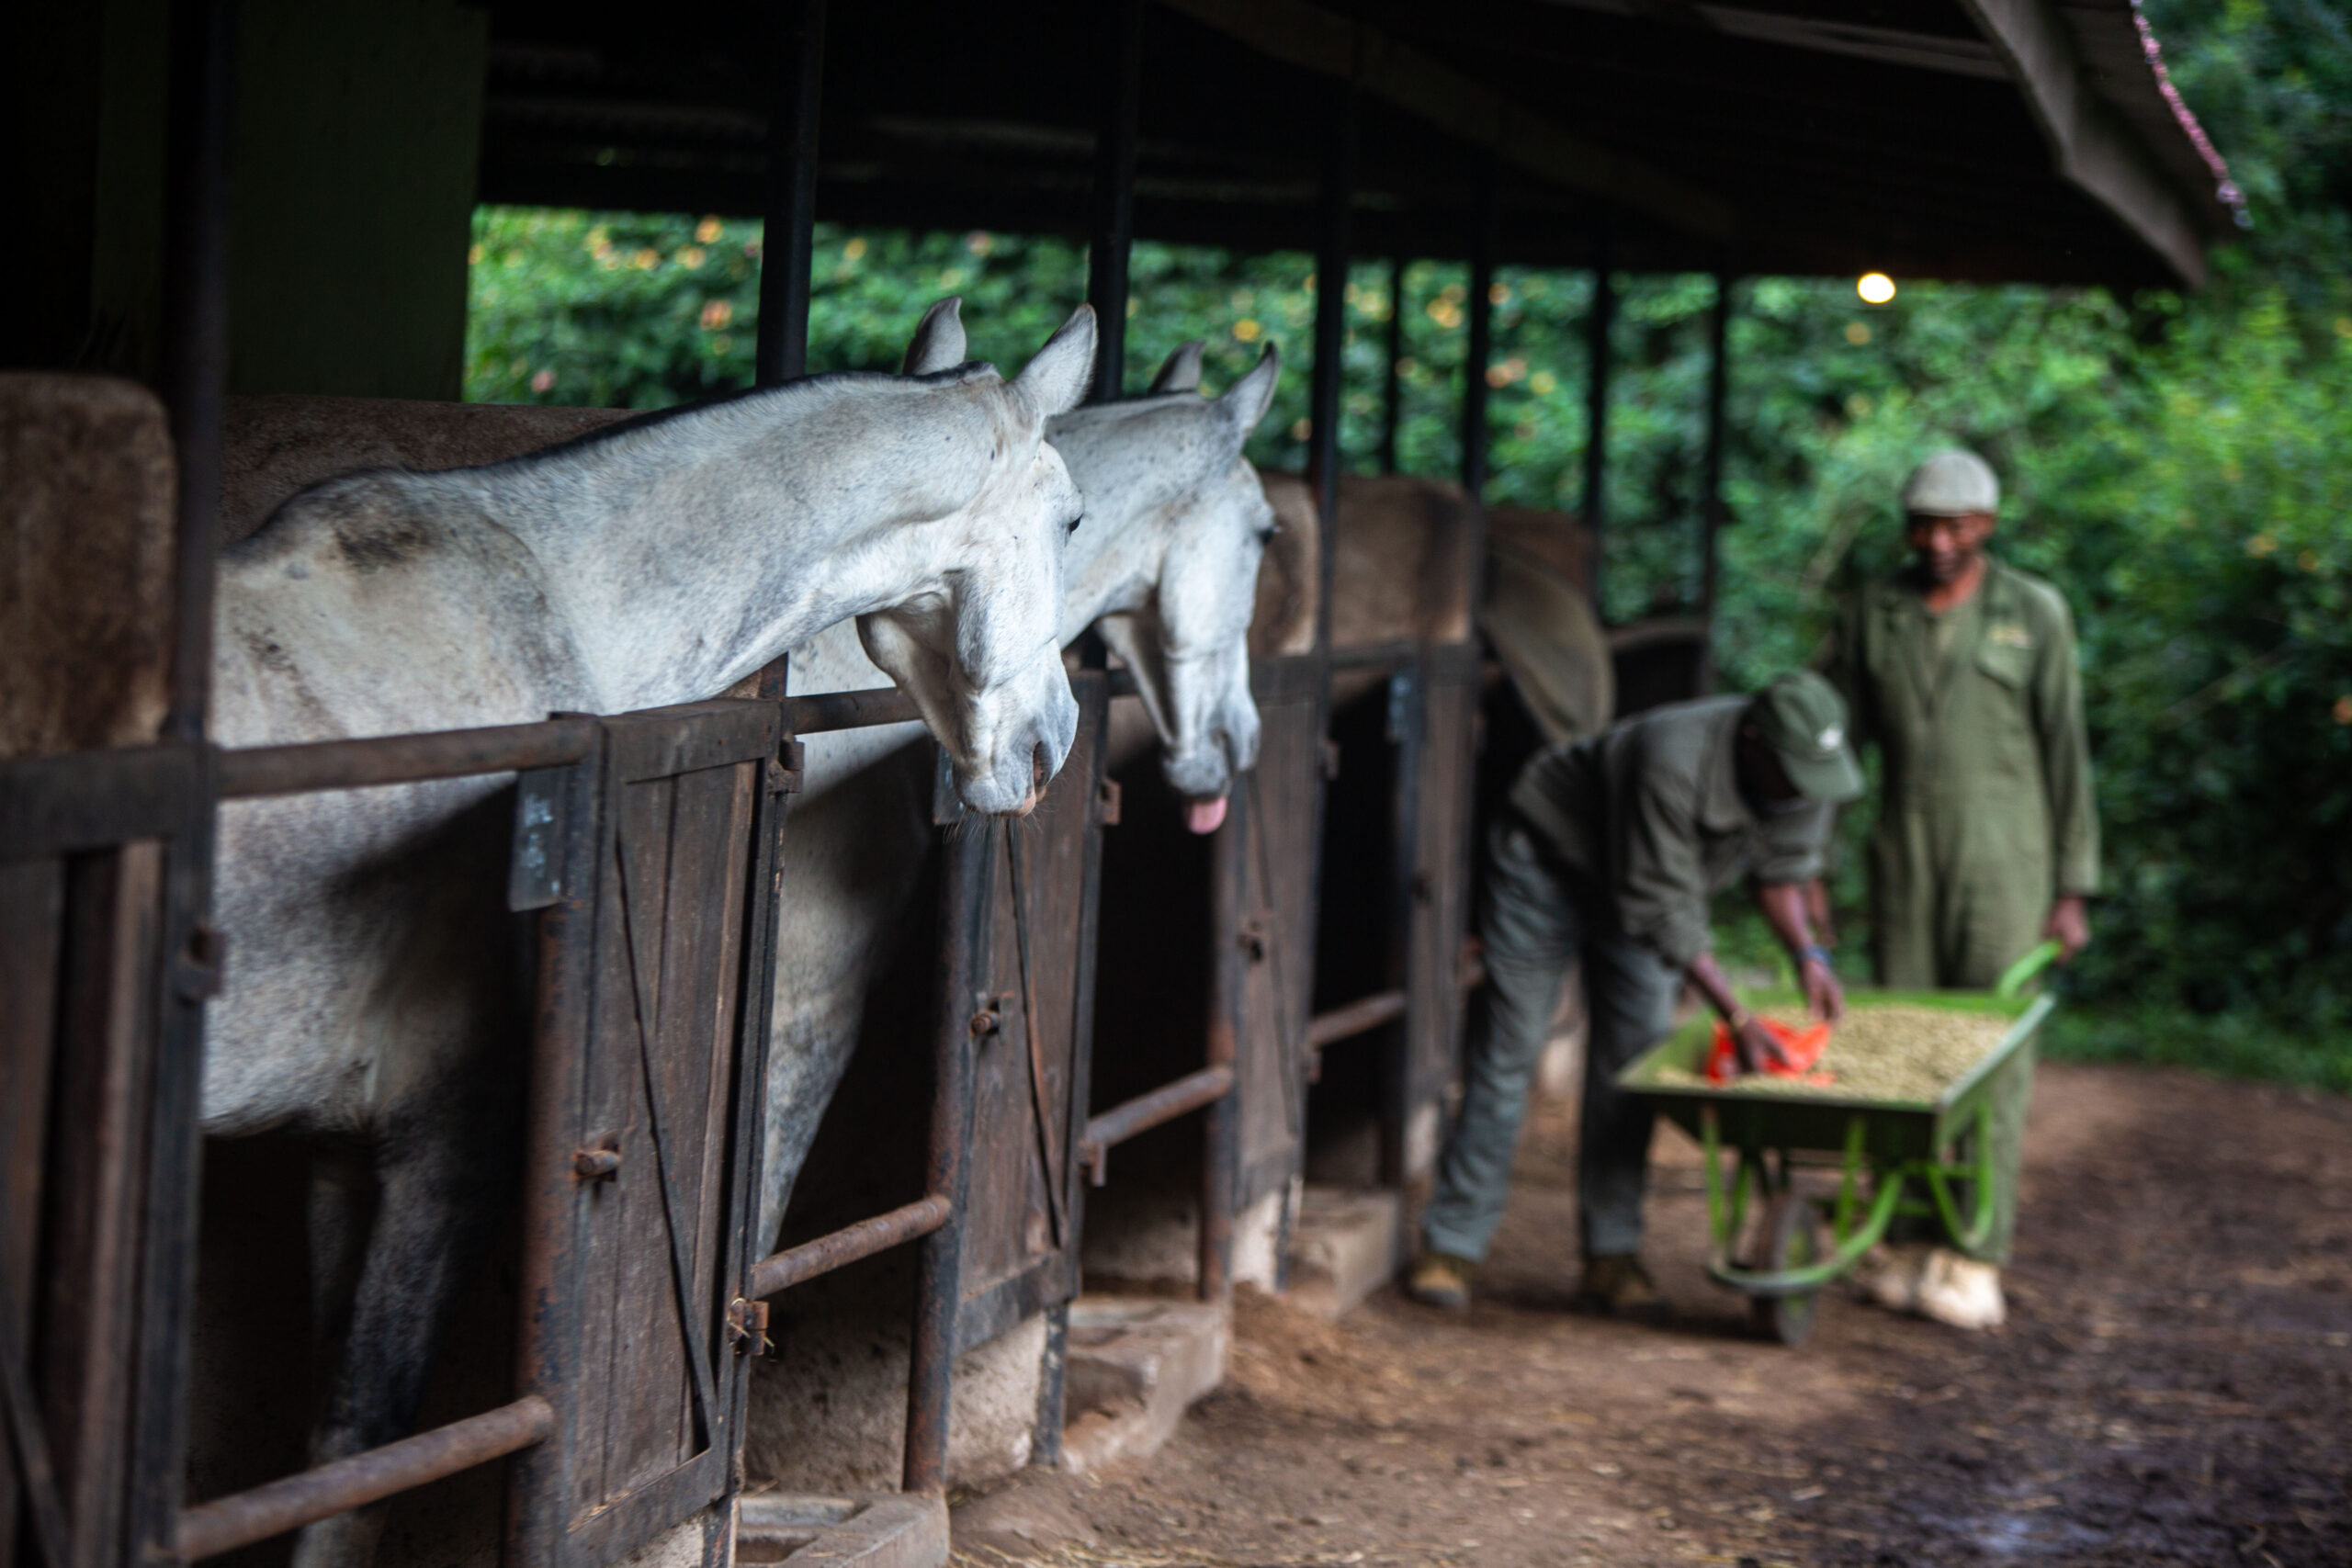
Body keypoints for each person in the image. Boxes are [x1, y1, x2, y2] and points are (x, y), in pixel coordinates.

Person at [1406, 671, 1862, 1313]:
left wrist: (1807, 954)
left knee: (1631, 1067)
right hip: (1548, 868)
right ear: (1754, 742)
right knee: (1509, 1053)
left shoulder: (1806, 771)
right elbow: (1666, 908)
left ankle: (1612, 1254)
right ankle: (1451, 1244)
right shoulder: (1672, 757)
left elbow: (1783, 872)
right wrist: (1735, 1014)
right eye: (1791, 774)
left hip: (1644, 894)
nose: (1804, 791)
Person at [1820, 448, 2098, 1328]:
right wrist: (1813, 863)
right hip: (1904, 853)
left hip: (2007, 862)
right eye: (1923, 525)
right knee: (1904, 1047)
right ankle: (1899, 1240)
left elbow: (2068, 751)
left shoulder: (2034, 613)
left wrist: (2073, 887)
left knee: (1991, 1053)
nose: (1937, 542)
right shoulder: (1874, 611)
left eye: (1956, 526)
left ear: (1986, 526)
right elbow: (1834, 750)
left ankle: (1974, 1251)